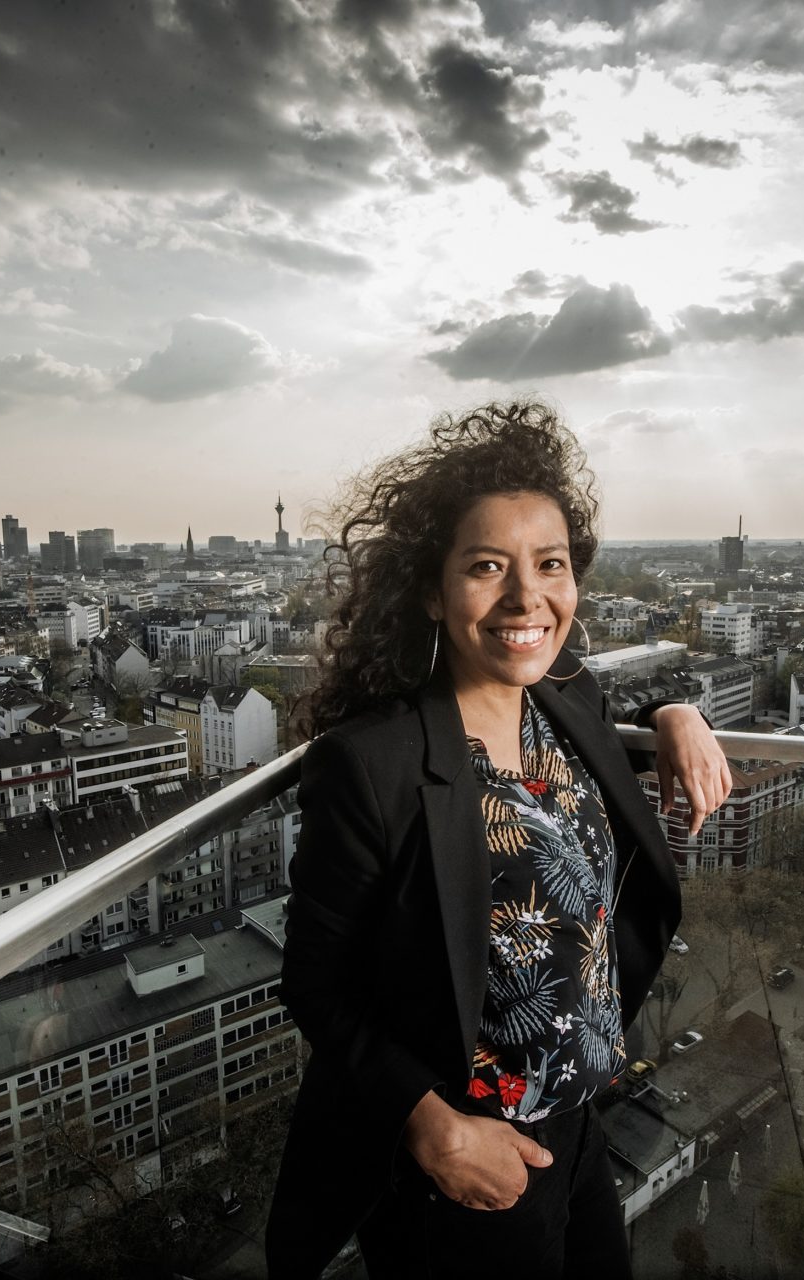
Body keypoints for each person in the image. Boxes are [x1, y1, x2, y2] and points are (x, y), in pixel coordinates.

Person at [265, 401, 733, 1278]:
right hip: (468, 1154)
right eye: (488, 567)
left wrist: (675, 713)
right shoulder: (375, 765)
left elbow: (612, 708)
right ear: (432, 592)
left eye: (549, 565)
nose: (527, 597)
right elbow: (316, 984)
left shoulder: (563, 705)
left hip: (580, 1122)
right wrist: (432, 1128)